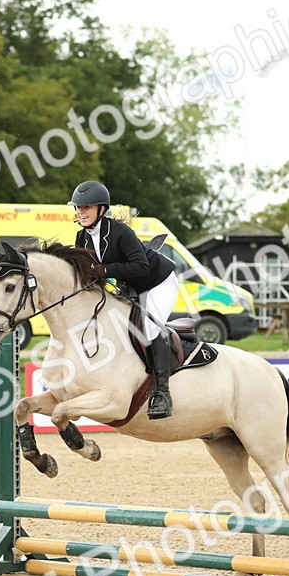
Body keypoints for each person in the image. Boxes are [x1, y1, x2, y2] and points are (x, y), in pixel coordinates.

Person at [69, 180, 179, 420]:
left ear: (102, 210)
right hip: (130, 286)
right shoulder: (81, 237)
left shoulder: (120, 232)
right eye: (78, 208)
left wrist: (105, 270)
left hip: (158, 283)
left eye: (87, 207)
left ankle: (162, 394)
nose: (81, 212)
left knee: (150, 328)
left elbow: (141, 266)